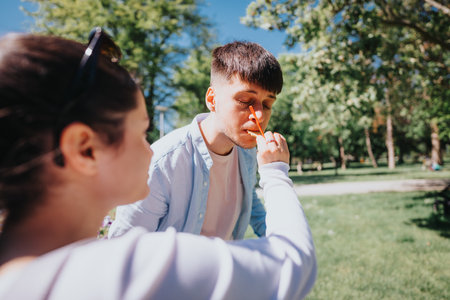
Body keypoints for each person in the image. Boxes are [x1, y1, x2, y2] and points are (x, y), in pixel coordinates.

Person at [0, 30, 316, 299]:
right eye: (141, 133)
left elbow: (254, 211)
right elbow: (295, 264)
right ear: (84, 149)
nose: (151, 150)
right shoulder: (134, 268)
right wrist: (276, 174)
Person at [109, 41, 283, 240]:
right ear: (212, 100)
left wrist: (276, 240)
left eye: (268, 104)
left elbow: (248, 199)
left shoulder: (248, 152)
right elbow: (124, 246)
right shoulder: (162, 163)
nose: (259, 116)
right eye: (245, 101)